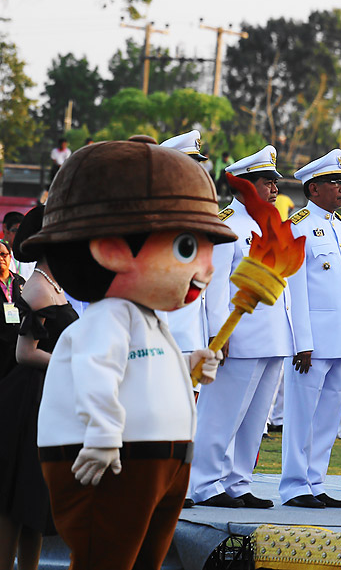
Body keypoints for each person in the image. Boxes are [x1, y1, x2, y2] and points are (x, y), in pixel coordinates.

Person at [27, 137, 230, 570]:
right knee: (107, 557)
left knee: (143, 559)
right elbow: (95, 371)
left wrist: (188, 366)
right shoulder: (108, 317)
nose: (207, 268)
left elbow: (145, 369)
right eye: (187, 248)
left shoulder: (148, 317)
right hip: (117, 458)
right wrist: (102, 433)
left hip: (161, 460)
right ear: (113, 250)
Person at [189, 145, 301, 510]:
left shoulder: (269, 223)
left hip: (272, 335)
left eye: (274, 182)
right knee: (221, 414)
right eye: (267, 182)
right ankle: (204, 483)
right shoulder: (227, 225)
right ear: (247, 186)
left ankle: (238, 482)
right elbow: (216, 286)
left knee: (255, 420)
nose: (274, 189)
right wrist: (218, 335)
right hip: (238, 337)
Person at [277, 149, 341, 509]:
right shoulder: (297, 226)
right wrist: (302, 341)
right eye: (335, 182)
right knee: (301, 416)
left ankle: (315, 481)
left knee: (328, 417)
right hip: (311, 341)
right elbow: (294, 289)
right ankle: (295, 485)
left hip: (340, 340)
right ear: (313, 189)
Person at [0, 208, 76, 570]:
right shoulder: (37, 288)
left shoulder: (53, 285)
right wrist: (71, 363)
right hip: (29, 402)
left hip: (47, 397)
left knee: (35, 500)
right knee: (18, 497)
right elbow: (24, 352)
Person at [160, 131, 214, 359]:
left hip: (194, 335)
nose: (198, 173)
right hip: (167, 338)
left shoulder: (197, 213)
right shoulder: (158, 217)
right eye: (190, 166)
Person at [0, 239, 26, 379]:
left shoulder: (20, 281)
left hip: (19, 342)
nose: (1, 258)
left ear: (10, 257)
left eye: (3, 254)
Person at [3, 212, 34, 280]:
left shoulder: (29, 252)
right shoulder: (2, 249)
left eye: (23, 231)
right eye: (16, 230)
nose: (20, 235)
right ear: (5, 229)